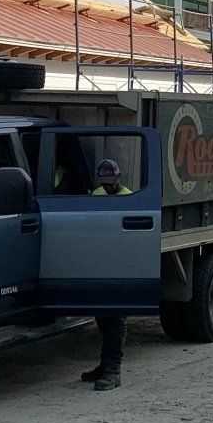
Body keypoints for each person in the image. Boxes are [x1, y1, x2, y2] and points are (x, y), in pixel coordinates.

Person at [81, 157, 132, 391]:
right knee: (102, 317)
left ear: (119, 178)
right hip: (100, 262)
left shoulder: (129, 198)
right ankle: (105, 366)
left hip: (119, 264)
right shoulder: (97, 194)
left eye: (112, 182)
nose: (108, 186)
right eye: (105, 182)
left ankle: (114, 371)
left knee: (114, 318)